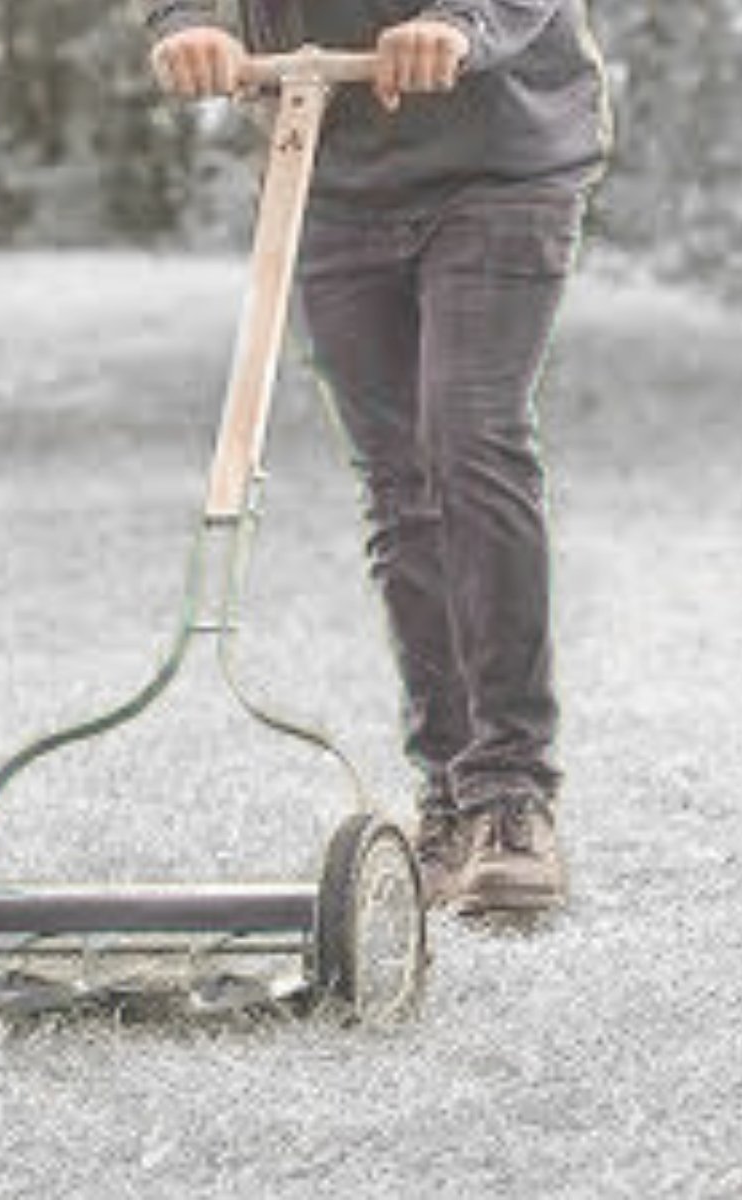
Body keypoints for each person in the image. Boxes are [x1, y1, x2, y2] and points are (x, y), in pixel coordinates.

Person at [143, 0, 611, 918]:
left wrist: (462, 23)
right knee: (401, 484)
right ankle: (449, 795)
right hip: (329, 162)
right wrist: (185, 23)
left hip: (500, 162)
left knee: (470, 439)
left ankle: (511, 796)